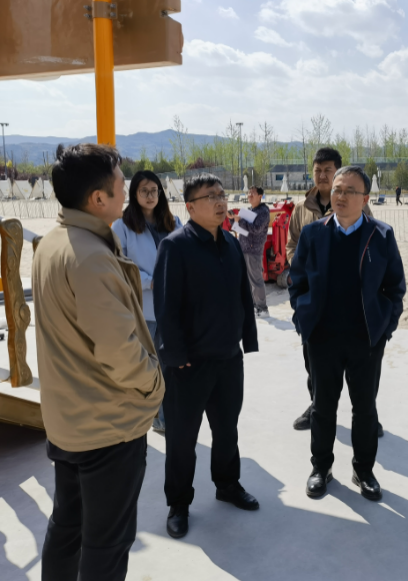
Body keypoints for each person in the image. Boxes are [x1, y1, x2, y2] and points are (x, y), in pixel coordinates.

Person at [34, 144, 164, 581]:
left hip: (69, 418)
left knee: (67, 527)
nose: (125, 191)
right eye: (120, 183)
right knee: (106, 544)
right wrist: (154, 385)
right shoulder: (90, 256)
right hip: (107, 427)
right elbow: (119, 350)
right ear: (98, 198)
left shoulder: (54, 242)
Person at [153, 173, 260, 540]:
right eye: (210, 196)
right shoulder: (175, 246)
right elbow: (166, 306)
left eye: (222, 195)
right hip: (189, 364)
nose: (220, 202)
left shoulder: (229, 242)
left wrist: (247, 339)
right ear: (190, 206)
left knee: (227, 429)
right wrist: (175, 355)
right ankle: (178, 503)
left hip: (228, 358)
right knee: (182, 437)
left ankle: (227, 484)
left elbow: (243, 295)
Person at [289, 165, 406, 501]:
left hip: (365, 341)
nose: (340, 196)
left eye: (349, 191)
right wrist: (304, 320)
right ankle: (320, 468)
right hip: (322, 339)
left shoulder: (381, 235)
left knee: (365, 408)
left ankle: (364, 470)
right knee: (322, 407)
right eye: (337, 189)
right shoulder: (314, 234)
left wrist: (384, 330)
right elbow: (297, 282)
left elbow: (395, 288)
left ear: (365, 198)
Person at [286, 148, 375, 432]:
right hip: (315, 303)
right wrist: (302, 267)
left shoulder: (357, 205)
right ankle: (317, 405)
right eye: (317, 170)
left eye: (328, 170)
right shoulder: (302, 209)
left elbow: (371, 243)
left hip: (350, 302)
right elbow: (291, 244)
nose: (322, 175)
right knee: (313, 360)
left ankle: (366, 413)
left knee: (359, 364)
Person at [113, 171, 182, 433]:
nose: (150, 195)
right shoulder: (123, 226)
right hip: (144, 309)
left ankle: (164, 417)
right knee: (146, 367)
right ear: (134, 194)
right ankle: (148, 417)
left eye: (154, 190)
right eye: (144, 191)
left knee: (170, 365)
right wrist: (149, 281)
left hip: (171, 307)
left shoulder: (172, 221)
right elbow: (118, 264)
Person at [233, 185, 271, 317]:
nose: (249, 195)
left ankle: (262, 308)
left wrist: (240, 221)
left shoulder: (263, 212)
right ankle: (253, 305)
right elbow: (243, 227)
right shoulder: (249, 210)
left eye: (253, 193)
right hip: (243, 248)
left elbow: (256, 229)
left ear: (260, 196)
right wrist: (235, 221)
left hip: (253, 249)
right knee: (247, 280)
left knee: (256, 280)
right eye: (249, 193)